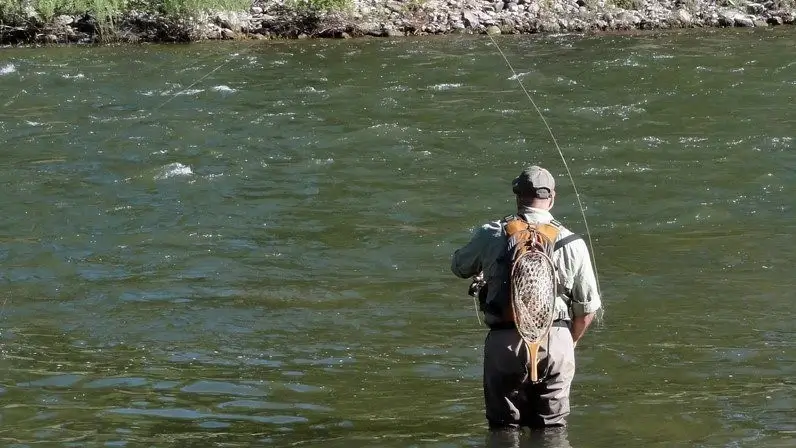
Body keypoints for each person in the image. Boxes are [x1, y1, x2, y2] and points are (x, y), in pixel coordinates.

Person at [450, 165, 602, 431]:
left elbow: (459, 266)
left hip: (505, 342)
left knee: (503, 428)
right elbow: (586, 311)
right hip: (556, 339)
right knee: (552, 428)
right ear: (552, 197)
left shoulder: (491, 233)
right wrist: (569, 343)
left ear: (517, 196)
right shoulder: (572, 241)